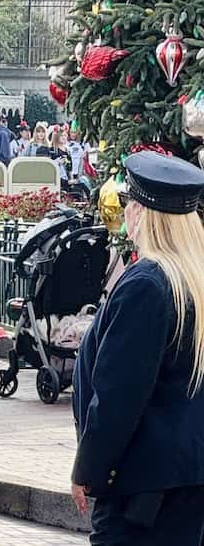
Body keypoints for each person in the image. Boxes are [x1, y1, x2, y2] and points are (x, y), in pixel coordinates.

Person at [71, 151, 204, 544]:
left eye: (130, 202)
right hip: (181, 479)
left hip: (142, 489)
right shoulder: (190, 279)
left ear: (142, 213)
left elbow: (119, 396)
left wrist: (89, 470)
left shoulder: (147, 283)